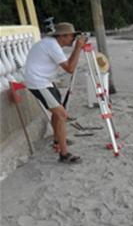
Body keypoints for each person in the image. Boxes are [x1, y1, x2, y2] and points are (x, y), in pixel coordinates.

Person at [24, 22, 87, 164]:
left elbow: (67, 65)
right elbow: (70, 68)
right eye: (72, 36)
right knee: (62, 114)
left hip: (45, 80)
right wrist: (78, 47)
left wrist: (77, 47)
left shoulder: (51, 44)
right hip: (38, 82)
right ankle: (64, 154)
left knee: (57, 113)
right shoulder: (52, 45)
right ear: (62, 36)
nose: (73, 39)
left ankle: (58, 140)